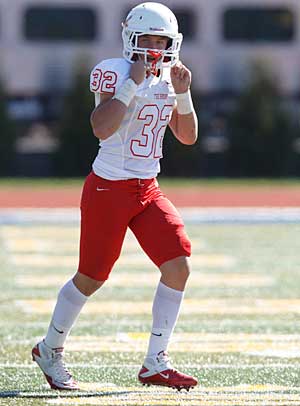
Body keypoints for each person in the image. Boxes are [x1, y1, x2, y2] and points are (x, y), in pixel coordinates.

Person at [32, 1, 198, 392]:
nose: (155, 48)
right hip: (109, 187)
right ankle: (50, 348)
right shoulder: (115, 71)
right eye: (149, 40)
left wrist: (183, 94)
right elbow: (101, 128)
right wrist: (132, 84)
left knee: (178, 266)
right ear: (131, 39)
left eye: (163, 41)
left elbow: (188, 137)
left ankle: (155, 362)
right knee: (91, 277)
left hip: (148, 188)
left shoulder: (170, 78)